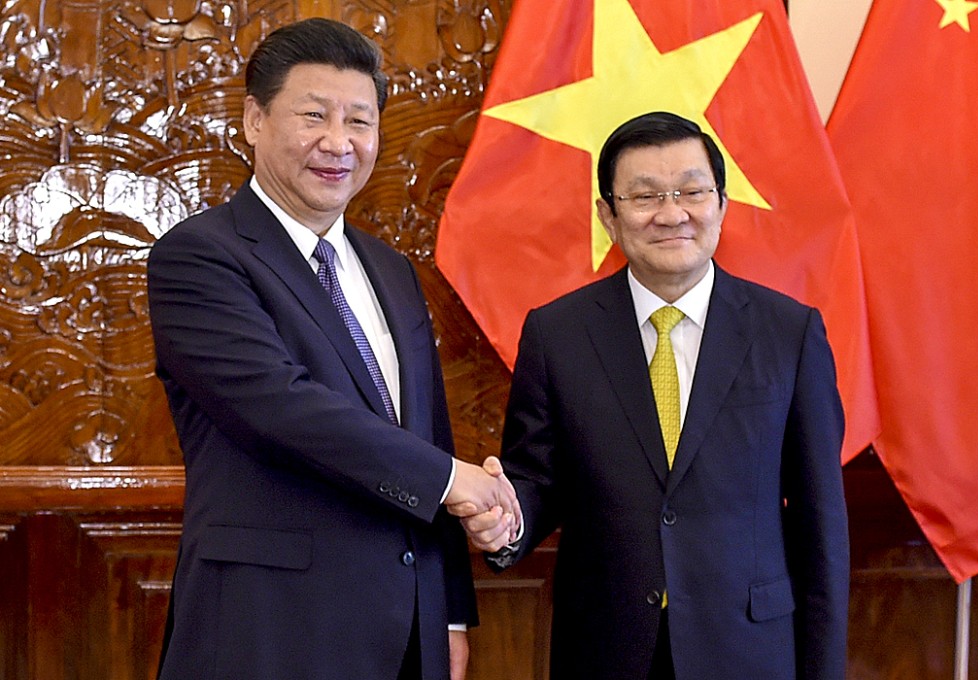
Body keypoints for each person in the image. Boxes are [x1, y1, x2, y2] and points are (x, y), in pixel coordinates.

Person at [147, 18, 516, 680]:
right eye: (314, 116)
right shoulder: (200, 256)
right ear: (254, 120)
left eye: (359, 121)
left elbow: (429, 434)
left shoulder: (392, 271)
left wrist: (451, 615)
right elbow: (280, 407)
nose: (339, 143)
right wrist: (451, 480)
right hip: (269, 628)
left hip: (407, 633)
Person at [456, 112, 850, 679]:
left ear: (722, 204)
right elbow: (538, 480)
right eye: (644, 197)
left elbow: (821, 523)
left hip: (748, 649)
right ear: (608, 216)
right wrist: (506, 522)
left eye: (692, 191)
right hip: (606, 649)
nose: (672, 214)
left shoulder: (789, 332)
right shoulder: (557, 334)